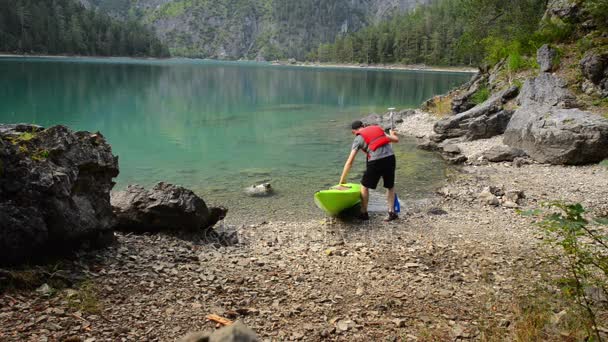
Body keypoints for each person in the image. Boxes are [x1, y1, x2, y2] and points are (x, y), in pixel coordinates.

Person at [339, 120, 399, 222]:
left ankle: (364, 213)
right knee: (390, 186)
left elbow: (350, 162)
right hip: (390, 158)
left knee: (364, 186)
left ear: (354, 131)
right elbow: (396, 140)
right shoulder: (377, 129)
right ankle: (391, 212)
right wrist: (391, 134)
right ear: (363, 125)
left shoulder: (358, 139)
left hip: (375, 161)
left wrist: (342, 180)